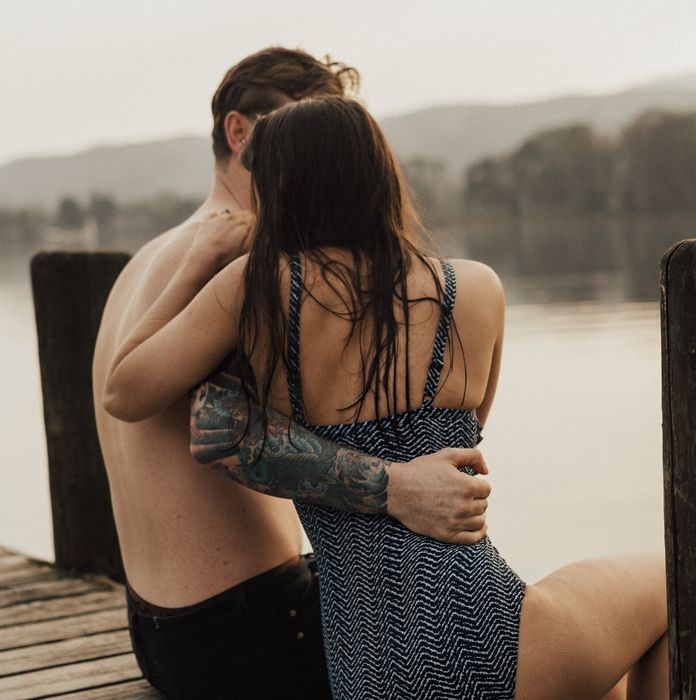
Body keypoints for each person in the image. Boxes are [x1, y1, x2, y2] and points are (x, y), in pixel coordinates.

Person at [102, 96, 669, 699]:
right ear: (378, 174)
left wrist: (197, 262)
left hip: (366, 672)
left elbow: (126, 387)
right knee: (678, 582)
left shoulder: (257, 293)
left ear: (277, 189)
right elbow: (470, 441)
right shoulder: (475, 289)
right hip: (496, 644)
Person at [92, 48, 491, 700]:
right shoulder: (247, 255)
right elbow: (198, 422)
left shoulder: (149, 259)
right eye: (299, 123)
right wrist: (398, 487)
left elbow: (125, 387)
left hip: (159, 630)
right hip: (253, 629)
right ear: (242, 133)